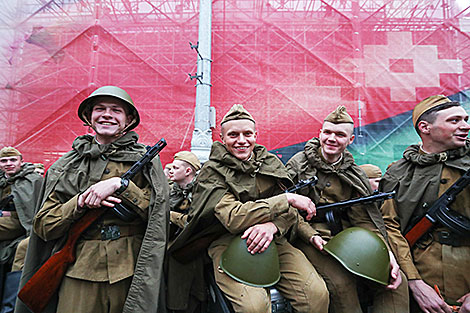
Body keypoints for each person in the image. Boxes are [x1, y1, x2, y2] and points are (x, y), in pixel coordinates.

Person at [16, 86, 169, 313]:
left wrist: (122, 185)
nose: (107, 114)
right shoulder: (67, 165)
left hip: (130, 270)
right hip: (78, 268)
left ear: (128, 120)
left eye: (116, 110)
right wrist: (79, 202)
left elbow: (159, 215)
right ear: (89, 116)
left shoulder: (145, 161)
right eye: (100, 109)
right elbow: (43, 226)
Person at [168, 104, 329, 313]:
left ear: (256, 135)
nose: (241, 141)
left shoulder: (270, 163)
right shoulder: (211, 172)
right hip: (226, 241)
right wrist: (285, 199)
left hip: (273, 238)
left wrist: (272, 226)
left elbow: (291, 214)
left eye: (247, 134)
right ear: (223, 139)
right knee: (254, 308)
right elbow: (233, 218)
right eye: (233, 135)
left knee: (316, 295)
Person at [286, 105, 409, 313]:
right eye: (327, 132)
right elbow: (284, 209)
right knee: (340, 284)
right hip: (308, 236)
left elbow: (365, 218)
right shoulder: (298, 165)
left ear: (350, 140)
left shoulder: (354, 173)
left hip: (348, 237)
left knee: (394, 279)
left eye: (340, 134)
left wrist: (385, 252)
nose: (332, 139)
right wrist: (311, 235)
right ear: (320, 134)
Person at [380, 95, 470, 313]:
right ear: (425, 127)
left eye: (465, 119)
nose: (465, 126)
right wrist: (414, 282)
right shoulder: (398, 172)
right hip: (420, 273)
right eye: (454, 121)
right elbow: (389, 227)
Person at [0, 147, 43, 313]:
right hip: (6, 222)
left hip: (23, 222)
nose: (9, 164)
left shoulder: (31, 180)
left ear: (21, 161)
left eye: (12, 160)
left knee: (23, 250)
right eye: (4, 161)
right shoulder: (2, 180)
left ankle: (10, 308)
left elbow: (34, 207)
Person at [168, 151, 201, 229]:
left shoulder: (199, 191)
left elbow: (195, 222)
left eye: (175, 168)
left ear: (188, 171)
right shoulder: (173, 190)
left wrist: (170, 215)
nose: (171, 171)